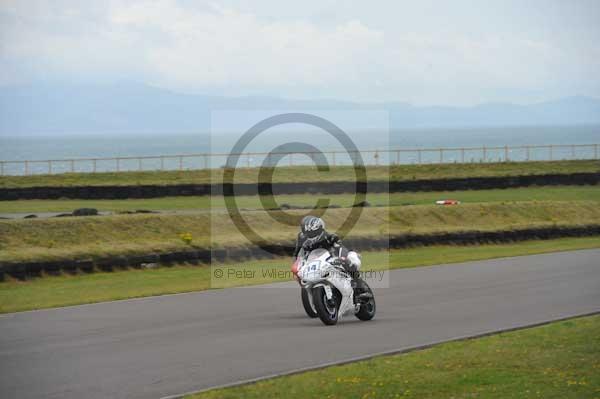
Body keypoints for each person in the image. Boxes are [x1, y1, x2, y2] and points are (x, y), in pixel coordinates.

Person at [293, 215, 362, 279]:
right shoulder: (301, 238)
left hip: (333, 257)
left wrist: (341, 258)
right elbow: (297, 252)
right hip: (315, 262)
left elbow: (341, 248)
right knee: (300, 274)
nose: (311, 236)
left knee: (351, 258)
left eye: (314, 233)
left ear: (320, 230)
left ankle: (358, 281)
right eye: (308, 234)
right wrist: (296, 264)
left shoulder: (330, 237)